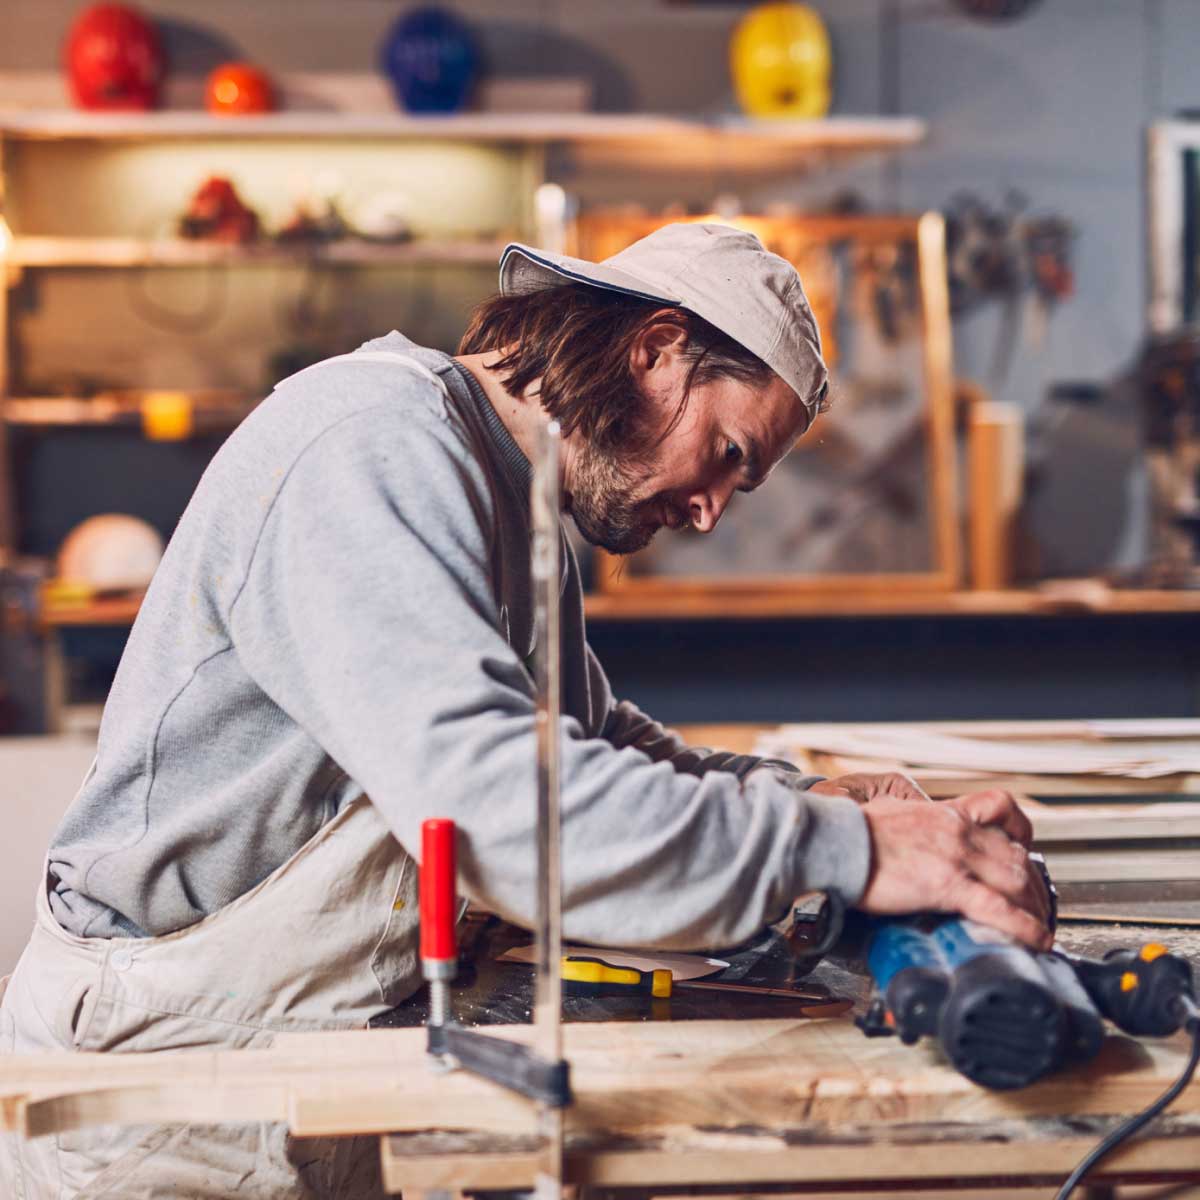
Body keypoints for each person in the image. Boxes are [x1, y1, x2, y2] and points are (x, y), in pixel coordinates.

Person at [0, 223, 1050, 1198]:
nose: (708, 512)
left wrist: (811, 800)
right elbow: (506, 806)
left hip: (305, 1042)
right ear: (657, 348)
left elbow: (588, 746)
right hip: (161, 1077)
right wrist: (847, 848)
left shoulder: (518, 501)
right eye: (727, 456)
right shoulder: (372, 447)